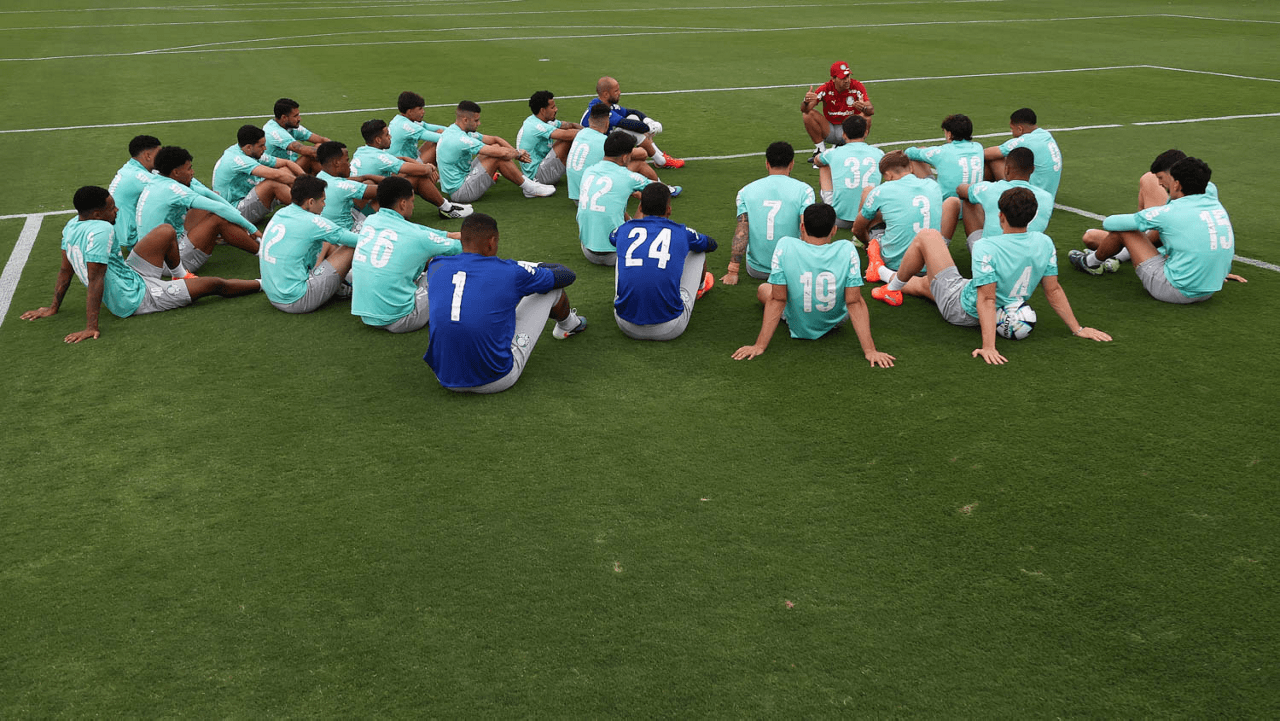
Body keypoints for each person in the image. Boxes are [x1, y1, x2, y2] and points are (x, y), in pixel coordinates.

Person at [873, 187, 1110, 364]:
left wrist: (989, 347)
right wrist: (1078, 329)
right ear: (1032, 216)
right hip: (990, 305)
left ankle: (891, 286)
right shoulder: (1044, 242)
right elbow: (1053, 289)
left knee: (928, 237)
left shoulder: (988, 246)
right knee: (926, 285)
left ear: (1001, 216)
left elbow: (986, 298)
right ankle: (880, 272)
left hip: (962, 307)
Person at [21, 186, 261, 342]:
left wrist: (53, 307)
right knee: (214, 284)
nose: (116, 210)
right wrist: (90, 326)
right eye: (111, 207)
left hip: (130, 274)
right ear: (96, 214)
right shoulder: (102, 230)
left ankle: (180, 275)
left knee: (165, 231)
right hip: (135, 298)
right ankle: (264, 283)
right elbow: (95, 279)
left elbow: (66, 269)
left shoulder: (72, 225)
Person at [424, 213, 587, 394]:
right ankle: (569, 325)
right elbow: (566, 275)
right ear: (491, 242)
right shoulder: (509, 271)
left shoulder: (436, 265)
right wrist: (532, 265)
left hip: (444, 377)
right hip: (495, 378)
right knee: (550, 288)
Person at [732, 203, 894, 367]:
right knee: (854, 297)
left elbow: (777, 299)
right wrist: (870, 351)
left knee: (764, 289)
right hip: (835, 319)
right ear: (834, 230)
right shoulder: (847, 249)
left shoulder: (785, 245)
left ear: (802, 227)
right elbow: (854, 302)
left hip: (795, 317)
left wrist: (759, 346)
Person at [1068, 157, 1236, 303]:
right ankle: (1119, 256)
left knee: (1125, 230)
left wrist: (1149, 216)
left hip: (1176, 291)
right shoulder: (1215, 204)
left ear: (1176, 184)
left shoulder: (1170, 212)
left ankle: (1090, 263)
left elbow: (1110, 223)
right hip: (1209, 291)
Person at [350, 177, 462, 333]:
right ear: (403, 203)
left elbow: (416, 230)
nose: (413, 206)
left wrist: (448, 234)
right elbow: (463, 247)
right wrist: (460, 237)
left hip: (367, 315)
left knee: (416, 259)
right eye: (412, 201)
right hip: (403, 318)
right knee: (446, 265)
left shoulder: (370, 221)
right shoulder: (414, 235)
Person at [610, 184, 717, 341]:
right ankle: (700, 289)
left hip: (625, 324)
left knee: (624, 252)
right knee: (698, 251)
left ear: (640, 206)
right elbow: (711, 244)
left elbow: (612, 238)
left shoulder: (624, 229)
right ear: (669, 209)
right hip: (670, 327)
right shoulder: (682, 232)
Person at [134, 146, 261, 272]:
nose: (192, 172)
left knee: (208, 207)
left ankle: (235, 237)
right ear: (176, 172)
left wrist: (238, 217)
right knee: (217, 219)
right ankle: (262, 252)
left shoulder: (158, 180)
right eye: (189, 168)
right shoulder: (173, 189)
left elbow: (209, 195)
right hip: (168, 264)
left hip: (152, 257)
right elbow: (219, 208)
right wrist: (251, 228)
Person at [259, 175, 361, 314]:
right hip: (296, 300)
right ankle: (352, 284)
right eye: (323, 200)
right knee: (350, 246)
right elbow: (355, 240)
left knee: (325, 242)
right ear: (311, 202)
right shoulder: (312, 222)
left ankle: (339, 284)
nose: (325, 205)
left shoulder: (281, 213)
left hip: (274, 296)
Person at [721, 141, 816, 284]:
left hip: (757, 270)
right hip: (791, 270)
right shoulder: (805, 191)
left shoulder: (745, 191)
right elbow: (806, 229)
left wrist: (732, 271)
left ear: (767, 163)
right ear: (792, 164)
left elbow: (742, 230)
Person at [854, 150, 943, 299]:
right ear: (911, 168)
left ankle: (875, 256)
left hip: (896, 264)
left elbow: (856, 228)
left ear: (888, 175)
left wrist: (867, 242)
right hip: (931, 263)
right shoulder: (933, 185)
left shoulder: (882, 190)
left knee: (869, 201)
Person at [350, 118, 473, 220]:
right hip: (365, 215)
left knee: (404, 177)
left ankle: (446, 207)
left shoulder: (362, 151)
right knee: (415, 176)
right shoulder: (379, 157)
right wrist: (428, 167)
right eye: (387, 134)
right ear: (378, 140)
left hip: (357, 209)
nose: (390, 136)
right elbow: (423, 171)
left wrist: (410, 161)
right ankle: (448, 209)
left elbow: (399, 163)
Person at [436, 100, 556, 204]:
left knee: (495, 147)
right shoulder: (460, 139)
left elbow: (495, 139)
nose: (479, 123)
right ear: (465, 119)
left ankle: (528, 185)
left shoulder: (455, 130)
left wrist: (516, 152)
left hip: (461, 180)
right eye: (476, 120)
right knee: (497, 156)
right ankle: (529, 188)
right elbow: (501, 154)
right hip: (459, 193)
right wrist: (518, 154)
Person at [567, 104, 679, 206]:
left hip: (576, 194)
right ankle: (662, 189)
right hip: (592, 197)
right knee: (638, 163)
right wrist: (644, 141)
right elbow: (643, 154)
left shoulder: (580, 134)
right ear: (607, 123)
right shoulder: (603, 141)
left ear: (590, 120)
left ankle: (657, 175)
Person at [952, 146, 1054, 249]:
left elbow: (961, 190)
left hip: (990, 254)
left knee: (969, 198)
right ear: (1033, 169)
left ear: (1006, 169)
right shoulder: (1048, 198)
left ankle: (976, 247)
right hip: (1030, 253)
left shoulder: (989, 189)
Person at [576, 132, 653, 266]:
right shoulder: (627, 176)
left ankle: (629, 224)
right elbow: (659, 190)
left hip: (587, 251)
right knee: (651, 198)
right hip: (618, 254)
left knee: (613, 202)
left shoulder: (589, 171)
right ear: (624, 157)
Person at [581, 76, 684, 168]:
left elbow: (632, 112)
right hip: (596, 152)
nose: (619, 93)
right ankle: (661, 161)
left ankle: (660, 158)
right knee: (641, 153)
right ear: (606, 94)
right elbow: (629, 125)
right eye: (616, 91)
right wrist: (650, 128)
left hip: (603, 144)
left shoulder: (604, 104)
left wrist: (648, 121)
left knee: (633, 118)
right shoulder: (601, 109)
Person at [212, 124, 304, 224]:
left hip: (247, 198)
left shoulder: (246, 150)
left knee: (285, 170)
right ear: (248, 147)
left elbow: (287, 163)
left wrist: (306, 178)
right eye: (261, 145)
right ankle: (308, 210)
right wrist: (308, 184)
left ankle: (302, 201)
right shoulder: (237, 159)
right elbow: (276, 175)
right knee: (273, 183)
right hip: (234, 212)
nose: (265, 148)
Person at [814, 116, 883, 229]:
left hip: (838, 218)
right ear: (866, 133)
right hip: (869, 218)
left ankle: (828, 205)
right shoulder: (879, 153)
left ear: (844, 134)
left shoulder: (833, 153)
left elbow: (817, 160)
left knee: (824, 165)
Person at [801, 61, 874, 162]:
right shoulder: (825, 88)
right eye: (843, 78)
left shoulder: (857, 86)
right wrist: (806, 101)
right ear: (833, 79)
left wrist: (864, 108)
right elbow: (805, 109)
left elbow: (871, 110)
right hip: (830, 129)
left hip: (849, 131)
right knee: (808, 114)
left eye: (848, 76)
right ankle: (820, 150)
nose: (847, 80)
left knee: (867, 116)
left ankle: (855, 148)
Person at [983, 107, 1062, 198]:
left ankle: (983, 190)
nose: (1011, 132)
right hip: (1047, 195)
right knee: (1013, 159)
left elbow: (989, 153)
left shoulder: (1026, 140)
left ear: (1020, 129)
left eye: (1012, 129)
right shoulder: (1046, 135)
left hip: (1030, 196)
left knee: (995, 159)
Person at [906, 114, 984, 204]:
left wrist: (924, 150)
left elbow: (909, 152)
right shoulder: (978, 147)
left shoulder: (941, 151)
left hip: (946, 205)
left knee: (914, 158)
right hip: (974, 206)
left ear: (949, 134)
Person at [107, 134, 161, 256]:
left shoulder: (130, 168)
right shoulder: (138, 176)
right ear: (148, 155)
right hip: (133, 238)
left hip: (122, 232)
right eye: (159, 153)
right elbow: (174, 190)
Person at [516, 90, 583, 186]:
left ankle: (579, 169)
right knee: (567, 138)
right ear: (543, 110)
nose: (556, 109)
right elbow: (567, 135)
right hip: (537, 178)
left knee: (572, 131)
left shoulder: (542, 120)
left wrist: (582, 128)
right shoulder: (536, 126)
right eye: (552, 107)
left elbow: (569, 125)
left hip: (542, 169)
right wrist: (591, 133)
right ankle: (583, 170)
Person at [315, 141, 379, 232]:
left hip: (325, 230)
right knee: (381, 199)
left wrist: (365, 177)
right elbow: (387, 189)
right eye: (347, 160)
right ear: (336, 163)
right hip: (345, 237)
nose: (349, 164)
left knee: (368, 184)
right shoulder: (343, 187)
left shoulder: (320, 176)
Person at [263, 98, 330, 174]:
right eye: (295, 116)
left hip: (292, 166)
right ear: (284, 118)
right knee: (310, 157)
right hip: (277, 172)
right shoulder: (274, 131)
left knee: (319, 146)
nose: (299, 119)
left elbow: (321, 140)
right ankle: (334, 181)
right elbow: (301, 149)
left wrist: (336, 147)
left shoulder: (290, 126)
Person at [388, 91, 448, 166]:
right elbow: (441, 138)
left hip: (409, 160)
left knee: (440, 132)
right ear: (410, 112)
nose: (423, 112)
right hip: (400, 169)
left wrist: (458, 131)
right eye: (420, 109)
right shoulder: (406, 126)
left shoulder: (402, 120)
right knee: (440, 143)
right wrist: (463, 138)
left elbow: (436, 128)